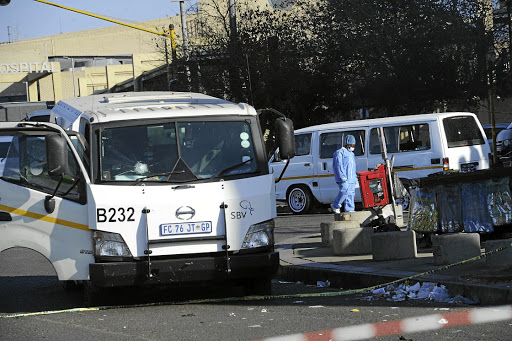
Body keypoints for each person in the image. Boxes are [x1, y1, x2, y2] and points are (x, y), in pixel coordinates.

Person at [331, 134, 357, 213]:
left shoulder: (351, 154)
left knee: (351, 193)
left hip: (351, 178)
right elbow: (338, 166)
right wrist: (342, 176)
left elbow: (353, 167)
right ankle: (335, 205)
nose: (353, 147)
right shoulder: (339, 153)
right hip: (343, 178)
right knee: (344, 191)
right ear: (348, 144)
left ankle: (350, 209)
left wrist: (355, 178)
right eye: (352, 145)